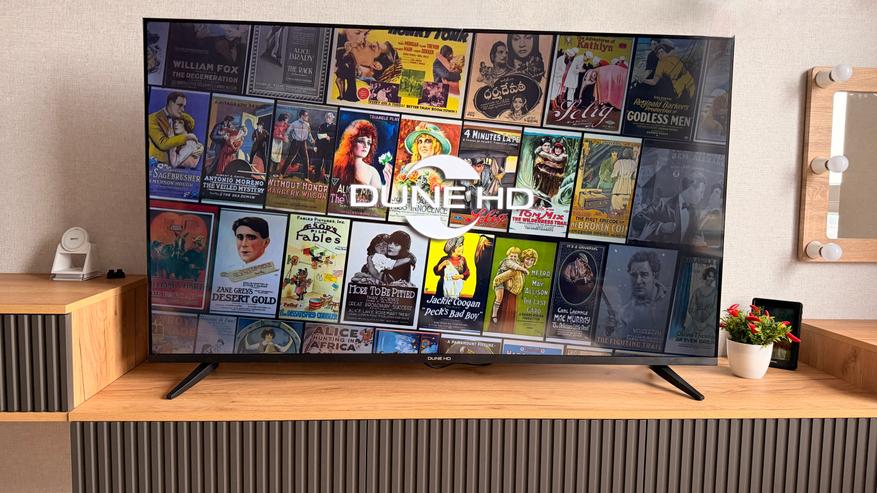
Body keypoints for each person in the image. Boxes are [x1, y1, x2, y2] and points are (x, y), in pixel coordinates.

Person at [603, 251, 669, 338]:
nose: (638, 281)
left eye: (644, 274)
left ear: (654, 275)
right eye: (634, 275)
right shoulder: (624, 313)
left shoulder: (671, 301)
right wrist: (609, 332)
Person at [633, 173, 706, 245]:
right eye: (701, 192)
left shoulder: (694, 211)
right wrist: (660, 227)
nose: (702, 197)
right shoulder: (662, 202)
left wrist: (700, 242)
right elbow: (637, 220)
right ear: (691, 188)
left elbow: (695, 235)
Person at [148, 91, 202, 166]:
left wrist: (198, 146)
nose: (183, 109)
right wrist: (188, 137)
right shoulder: (152, 119)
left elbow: (189, 124)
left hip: (175, 165)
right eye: (180, 105)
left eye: (184, 106)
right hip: (156, 164)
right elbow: (163, 143)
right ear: (170, 103)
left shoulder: (179, 116)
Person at [491, 248, 538, 333]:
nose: (529, 262)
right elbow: (498, 279)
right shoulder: (515, 269)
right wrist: (507, 287)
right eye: (527, 259)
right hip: (506, 299)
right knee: (503, 327)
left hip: (512, 298)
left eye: (532, 260)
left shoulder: (521, 270)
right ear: (523, 259)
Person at [332, 119, 385, 189]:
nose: (366, 146)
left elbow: (378, 195)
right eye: (361, 141)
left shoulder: (372, 172)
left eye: (369, 143)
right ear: (351, 142)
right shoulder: (336, 166)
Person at [683, 266, 718, 336]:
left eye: (713, 277)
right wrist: (696, 322)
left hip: (709, 324)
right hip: (695, 322)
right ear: (705, 276)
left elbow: (715, 310)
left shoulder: (715, 292)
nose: (711, 279)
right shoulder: (697, 291)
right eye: (709, 276)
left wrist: (705, 323)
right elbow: (690, 309)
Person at [280, 109, 315, 178]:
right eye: (306, 115)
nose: (307, 117)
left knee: (306, 160)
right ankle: (281, 174)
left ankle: (306, 177)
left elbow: (309, 135)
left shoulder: (307, 125)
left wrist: (312, 141)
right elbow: (287, 133)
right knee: (290, 158)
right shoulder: (294, 123)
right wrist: (286, 139)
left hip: (303, 143)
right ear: (302, 116)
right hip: (295, 142)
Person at [610, 147, 638, 213]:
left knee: (616, 208)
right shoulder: (634, 163)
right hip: (628, 189)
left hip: (618, 189)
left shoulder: (619, 162)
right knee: (625, 210)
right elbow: (634, 176)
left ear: (624, 154)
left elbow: (613, 175)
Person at [314, 111, 337, 182]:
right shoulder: (322, 125)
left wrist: (330, 138)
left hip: (329, 149)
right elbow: (318, 136)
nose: (327, 118)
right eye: (327, 117)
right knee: (318, 163)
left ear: (332, 118)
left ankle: (326, 180)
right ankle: (316, 178)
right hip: (320, 148)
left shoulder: (335, 127)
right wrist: (315, 146)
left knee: (328, 165)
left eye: (329, 117)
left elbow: (337, 138)